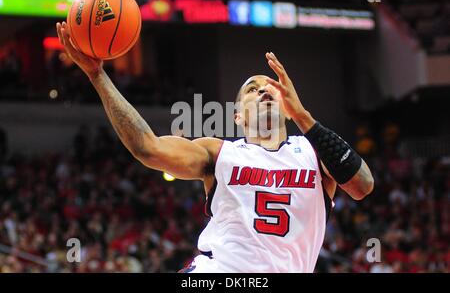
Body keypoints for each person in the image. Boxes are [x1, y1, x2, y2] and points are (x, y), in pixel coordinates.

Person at [56, 21, 374, 273]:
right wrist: (98, 76)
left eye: (271, 87)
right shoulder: (220, 152)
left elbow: (362, 186)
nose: (264, 90)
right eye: (253, 88)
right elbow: (147, 147)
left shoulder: (314, 151)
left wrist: (303, 116)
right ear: (237, 115)